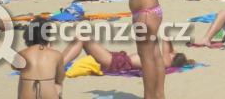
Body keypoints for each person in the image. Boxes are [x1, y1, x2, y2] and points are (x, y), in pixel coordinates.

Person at [62, 34, 196, 73]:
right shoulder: (163, 60)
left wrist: (172, 48)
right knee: (81, 39)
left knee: (83, 39)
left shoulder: (165, 61)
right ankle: (59, 61)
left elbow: (166, 38)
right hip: (116, 58)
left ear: (173, 56)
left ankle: (58, 63)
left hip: (114, 61)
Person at [14, 17, 65, 99]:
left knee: (23, 76)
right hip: (48, 96)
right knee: (58, 84)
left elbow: (15, 66)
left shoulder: (22, 54)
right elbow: (60, 78)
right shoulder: (56, 55)